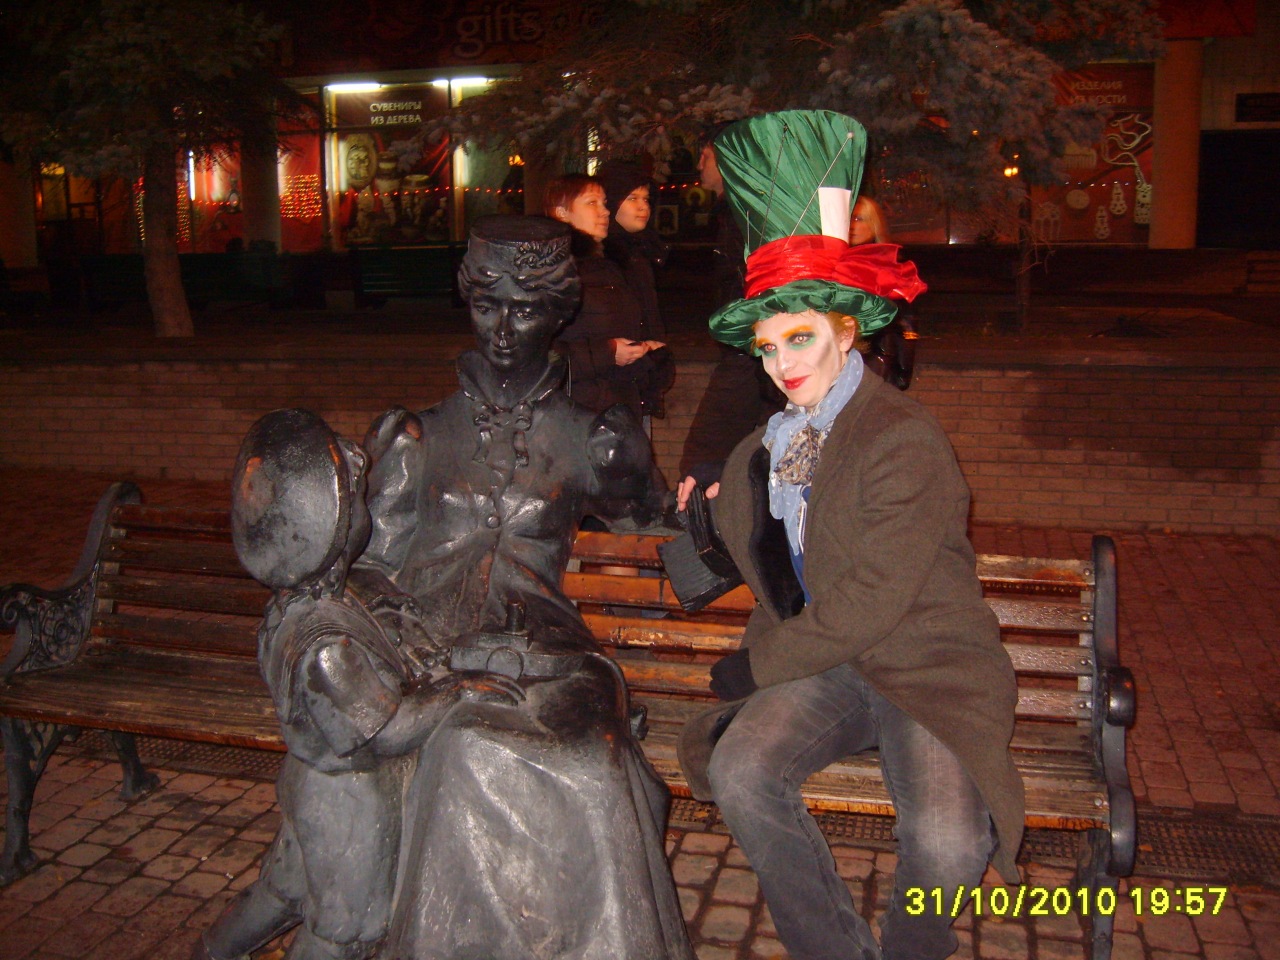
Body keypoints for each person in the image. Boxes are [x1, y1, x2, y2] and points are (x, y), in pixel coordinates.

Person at [672, 110, 1023, 960]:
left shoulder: (901, 436)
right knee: (741, 772)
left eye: (799, 338)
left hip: (922, 664)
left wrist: (756, 667)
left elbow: (872, 596)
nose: (783, 363)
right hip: (828, 665)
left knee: (950, 843)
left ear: (846, 332)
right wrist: (710, 511)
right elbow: (772, 563)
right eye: (767, 348)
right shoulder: (763, 449)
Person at [356, 215, 693, 960]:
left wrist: (678, 491)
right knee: (466, 744)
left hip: (552, 656)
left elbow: (656, 524)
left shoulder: (591, 436)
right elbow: (370, 568)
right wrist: (394, 627)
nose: (504, 329)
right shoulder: (417, 437)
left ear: (558, 313)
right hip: (435, 657)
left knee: (597, 759)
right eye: (487, 305)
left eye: (527, 308)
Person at [196, 409, 520, 960]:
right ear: (330, 529)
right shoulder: (327, 646)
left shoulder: (300, 604)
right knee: (345, 932)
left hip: (309, 780)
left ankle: (212, 951)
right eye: (352, 493)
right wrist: (460, 690)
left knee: (282, 891)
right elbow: (391, 729)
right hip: (348, 799)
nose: (358, 476)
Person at [677, 128, 786, 485]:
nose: (699, 165)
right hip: (747, 351)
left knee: (703, 459)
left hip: (747, 353)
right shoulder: (740, 212)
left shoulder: (746, 215)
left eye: (706, 156)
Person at [544, 174, 669, 421]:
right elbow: (536, 354)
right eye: (592, 203)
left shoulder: (610, 266)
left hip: (617, 407)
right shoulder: (550, 272)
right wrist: (608, 353)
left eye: (604, 203)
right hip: (573, 414)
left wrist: (646, 353)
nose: (605, 212)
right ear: (562, 213)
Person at [598, 161, 676, 417]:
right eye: (632, 198)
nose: (643, 207)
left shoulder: (640, 251)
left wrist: (656, 355)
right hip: (613, 383)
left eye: (646, 199)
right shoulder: (601, 258)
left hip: (639, 376)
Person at [848, 194, 921, 389]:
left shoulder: (888, 266)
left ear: (874, 224)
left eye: (858, 218)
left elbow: (904, 319)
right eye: (848, 218)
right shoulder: (831, 261)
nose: (852, 225)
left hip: (874, 355)